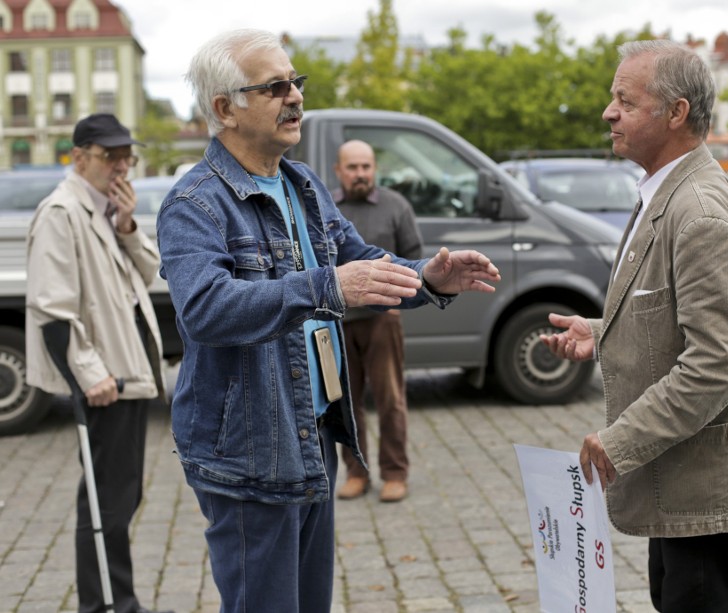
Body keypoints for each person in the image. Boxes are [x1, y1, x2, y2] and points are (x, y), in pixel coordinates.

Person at [155, 29, 501, 613]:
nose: (294, 96)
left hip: (312, 429)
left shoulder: (303, 184)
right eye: (274, 87)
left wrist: (429, 277)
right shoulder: (194, 203)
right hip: (249, 446)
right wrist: (323, 286)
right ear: (224, 109)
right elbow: (204, 309)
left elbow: (359, 262)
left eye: (296, 82)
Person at [540, 40, 728, 612]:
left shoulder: (698, 211)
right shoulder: (668, 188)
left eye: (625, 101)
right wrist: (604, 331)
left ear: (676, 113)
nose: (609, 112)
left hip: (700, 481)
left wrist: (619, 442)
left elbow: (718, 361)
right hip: (681, 472)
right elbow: (677, 311)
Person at [25, 114, 170, 613]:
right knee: (107, 502)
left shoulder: (105, 210)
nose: (123, 166)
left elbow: (151, 271)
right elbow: (51, 310)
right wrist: (91, 377)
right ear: (79, 156)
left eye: (126, 155)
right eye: (111, 156)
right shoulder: (62, 213)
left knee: (119, 499)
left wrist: (128, 225)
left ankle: (115, 601)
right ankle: (107, 606)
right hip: (107, 379)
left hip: (127, 374)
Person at [333, 140, 422, 503]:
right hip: (337, 320)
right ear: (339, 171)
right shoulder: (326, 209)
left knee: (390, 398)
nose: (360, 174)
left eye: (366, 166)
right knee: (345, 403)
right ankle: (356, 472)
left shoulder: (395, 206)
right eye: (352, 167)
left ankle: (395, 472)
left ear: (375, 169)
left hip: (383, 319)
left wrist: (401, 299)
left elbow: (415, 257)